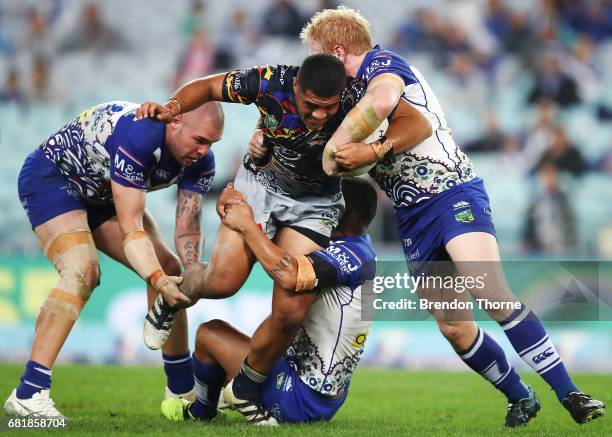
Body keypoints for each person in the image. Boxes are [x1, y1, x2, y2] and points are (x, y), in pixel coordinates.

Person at [297, 6, 605, 427]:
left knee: (490, 291)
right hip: (413, 215)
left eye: (317, 55)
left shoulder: (381, 65)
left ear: (337, 49)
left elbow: (388, 101)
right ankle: (520, 396)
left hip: (450, 193)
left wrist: (363, 151)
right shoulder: (345, 98)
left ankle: (571, 392)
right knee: (455, 327)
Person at [137, 53, 430, 423]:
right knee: (223, 282)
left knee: (293, 307)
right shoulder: (269, 81)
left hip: (315, 204)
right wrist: (173, 106)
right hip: (260, 187)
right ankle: (172, 299)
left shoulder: (357, 95)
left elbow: (417, 123)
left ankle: (244, 388)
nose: (321, 115)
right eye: (311, 106)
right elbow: (209, 86)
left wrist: (375, 149)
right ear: (296, 88)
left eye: (329, 107)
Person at [3, 100, 224, 418]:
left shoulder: (201, 162)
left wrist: (190, 276)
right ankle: (29, 392)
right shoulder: (142, 136)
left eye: (212, 143)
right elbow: (131, 229)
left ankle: (181, 391)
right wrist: (158, 282)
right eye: (200, 140)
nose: (205, 150)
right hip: (54, 179)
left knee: (171, 268)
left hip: (104, 193)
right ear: (174, 123)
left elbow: (188, 229)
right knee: (83, 272)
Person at [160, 177, 377, 425]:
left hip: (299, 397)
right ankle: (225, 396)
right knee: (275, 329)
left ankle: (202, 411)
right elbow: (281, 248)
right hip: (321, 394)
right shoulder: (362, 249)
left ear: (338, 212)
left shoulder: (349, 256)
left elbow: (291, 274)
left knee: (209, 335)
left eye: (325, 202)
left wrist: (247, 227)